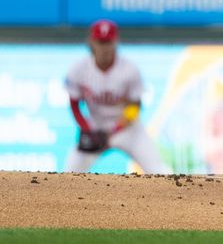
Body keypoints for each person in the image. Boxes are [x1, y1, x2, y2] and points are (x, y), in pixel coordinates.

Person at [64, 19, 170, 173]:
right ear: (91, 42)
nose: (105, 47)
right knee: (69, 173)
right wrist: (86, 128)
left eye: (108, 42)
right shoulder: (79, 69)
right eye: (101, 42)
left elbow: (135, 106)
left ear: (115, 42)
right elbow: (74, 104)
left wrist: (115, 129)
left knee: (159, 171)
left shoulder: (129, 70)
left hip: (127, 129)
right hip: (95, 127)